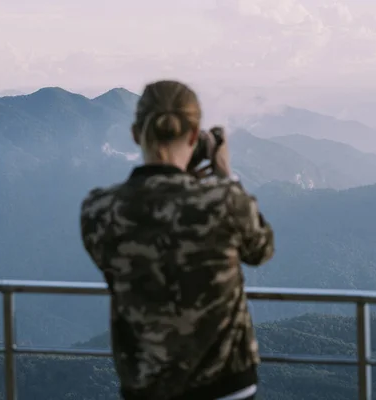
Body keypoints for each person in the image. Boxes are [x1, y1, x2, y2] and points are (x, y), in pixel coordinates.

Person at [80, 80, 275, 400]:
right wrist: (224, 174)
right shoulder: (224, 201)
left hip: (147, 384)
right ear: (195, 135)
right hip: (226, 383)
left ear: (134, 134)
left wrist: (182, 185)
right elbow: (261, 249)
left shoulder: (99, 210)